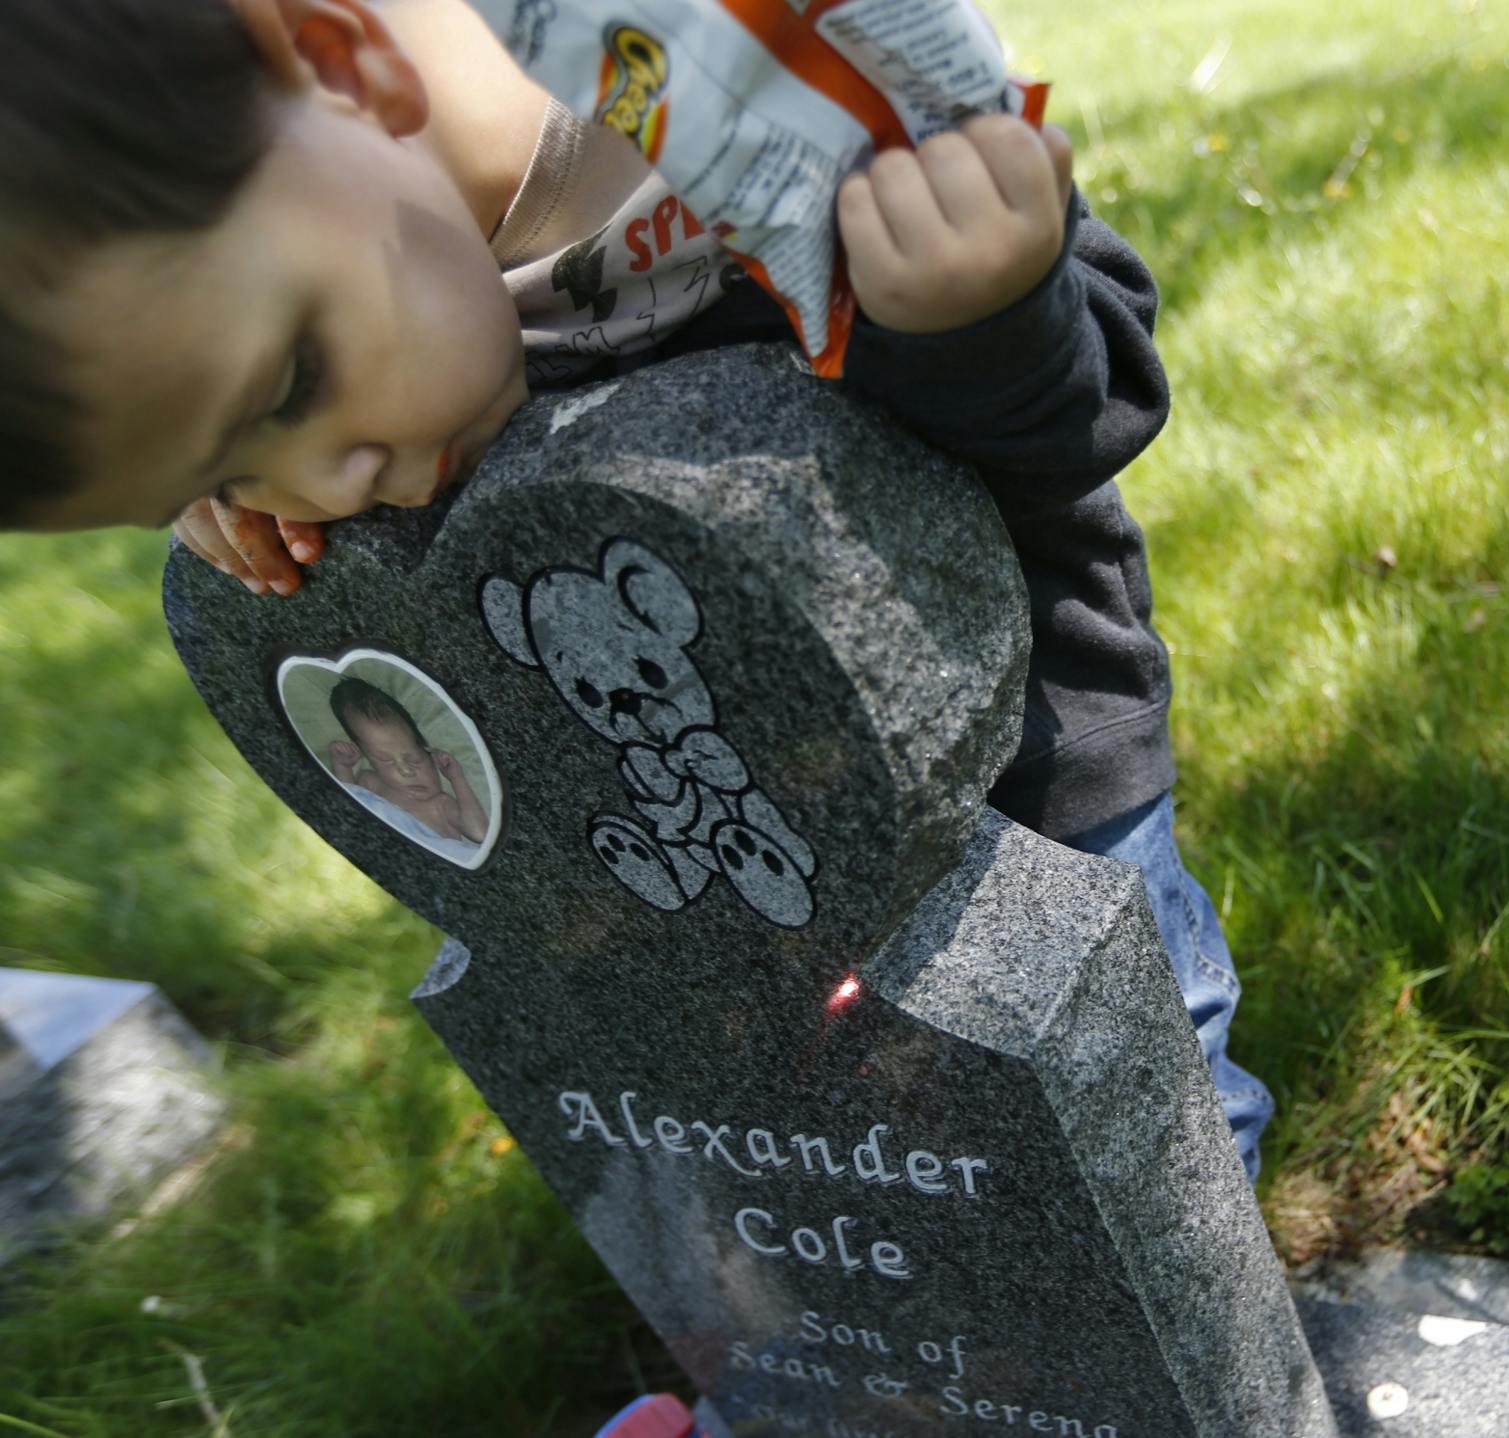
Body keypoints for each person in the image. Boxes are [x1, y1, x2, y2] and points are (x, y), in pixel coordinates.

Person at [0, 0, 1274, 1175]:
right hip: (710, 900)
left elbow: (1093, 410)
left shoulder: (760, 104)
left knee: (1148, 1164)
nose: (323, 487)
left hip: (1030, 797)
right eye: (226, 466)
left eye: (286, 385)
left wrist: (979, 310)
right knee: (878, 1184)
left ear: (343, 63)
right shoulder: (322, 282)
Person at [325, 676, 488, 846]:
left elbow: (479, 833)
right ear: (368, 758)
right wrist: (342, 766)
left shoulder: (441, 805)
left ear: (430, 754)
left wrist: (456, 778)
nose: (406, 771)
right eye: (386, 761)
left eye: (415, 760)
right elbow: (347, 807)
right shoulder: (369, 782)